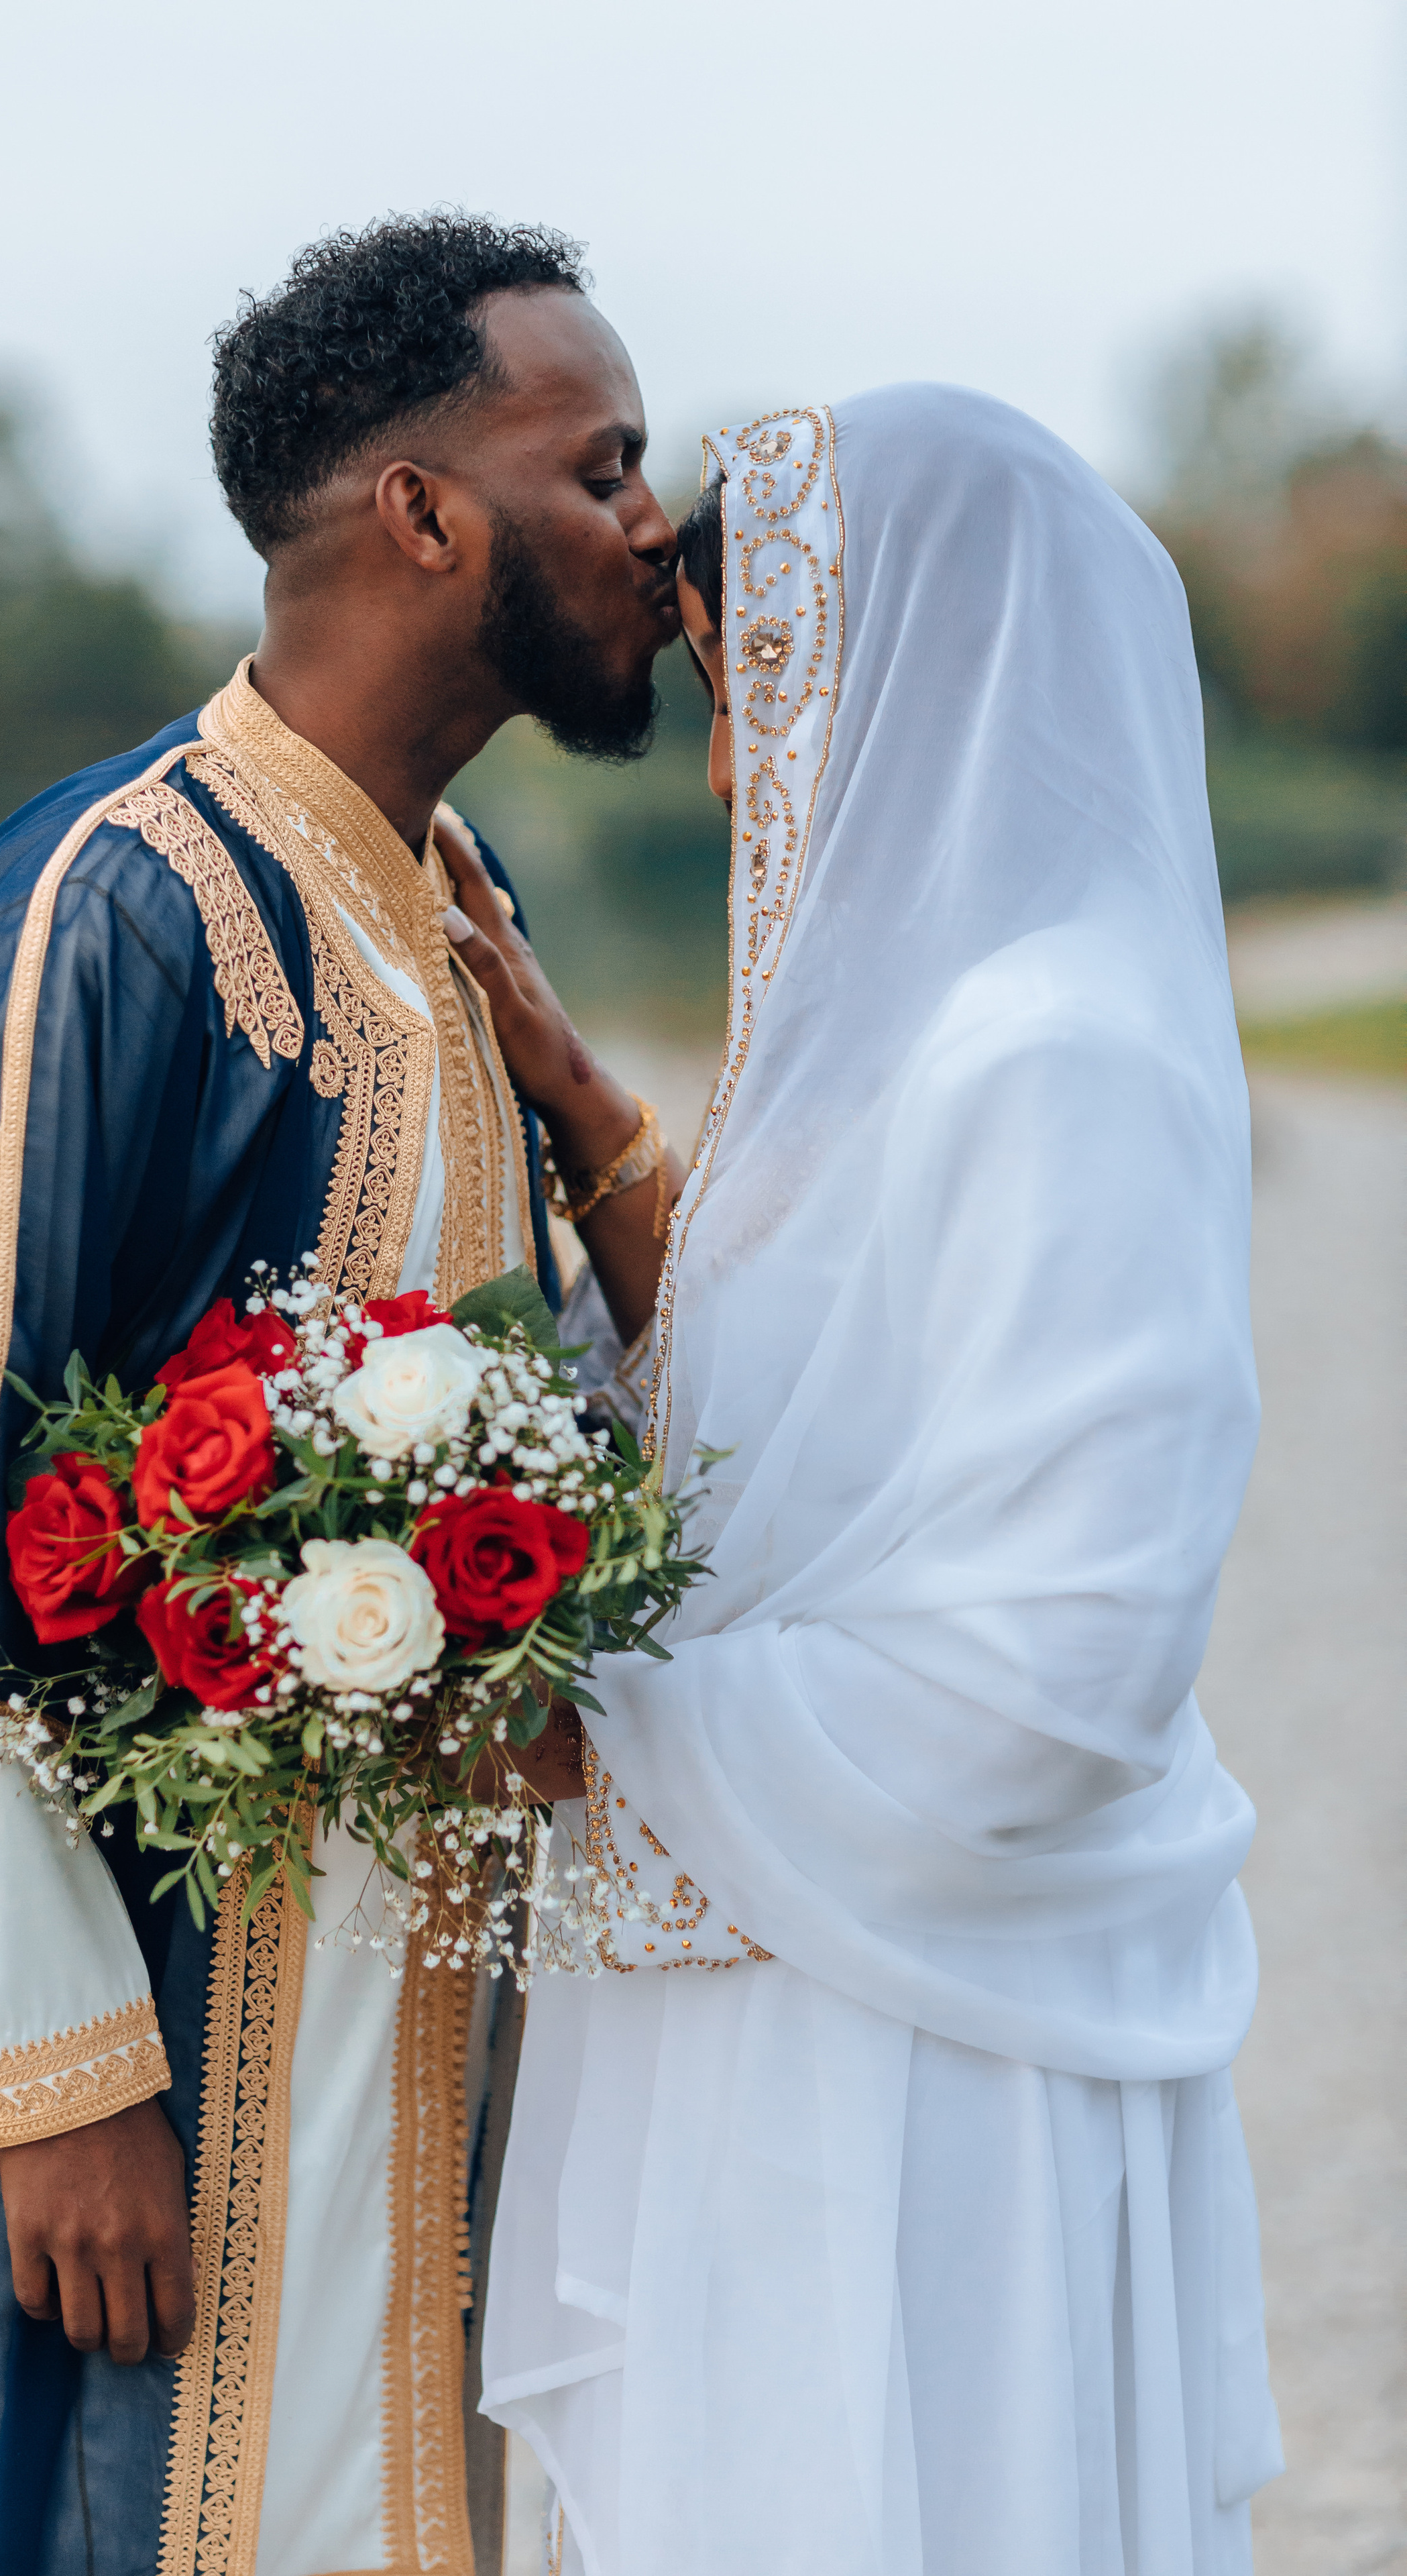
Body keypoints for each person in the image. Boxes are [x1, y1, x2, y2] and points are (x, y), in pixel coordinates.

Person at [0, 213, 679, 2576]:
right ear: (421, 513)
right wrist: (49, 2075)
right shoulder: (122, 903)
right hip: (159, 2021)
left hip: (427, 1975)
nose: (652, 526)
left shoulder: (450, 900)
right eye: (605, 469)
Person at [478, 389, 1284, 2575]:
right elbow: (835, 1446)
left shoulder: (1061, 1053)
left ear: (922, 668)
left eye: (758, 694)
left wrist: (603, 1731)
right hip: (816, 1973)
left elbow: (1071, 1661)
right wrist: (579, 1115)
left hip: (931, 2051)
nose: (732, 770)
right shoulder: (933, 1033)